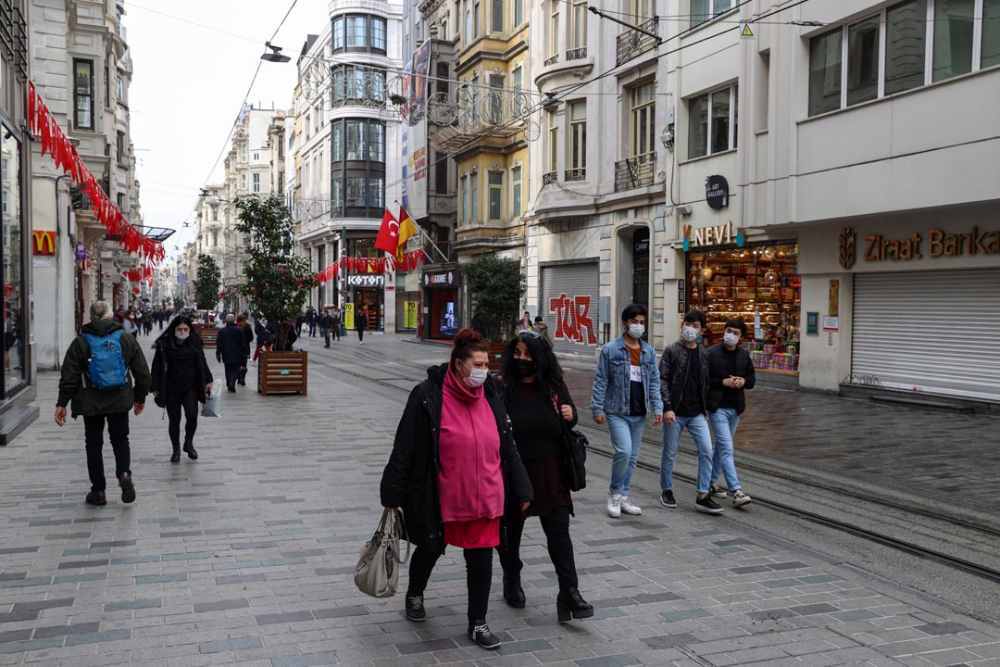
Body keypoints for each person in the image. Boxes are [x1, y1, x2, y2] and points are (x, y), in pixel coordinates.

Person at [380, 329, 533, 650]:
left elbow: (508, 445)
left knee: (481, 560)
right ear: (458, 364)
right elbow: (405, 445)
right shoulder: (428, 395)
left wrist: (522, 487)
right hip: (443, 497)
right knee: (430, 549)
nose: (484, 370)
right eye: (477, 363)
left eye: (487, 363)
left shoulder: (490, 392)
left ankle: (478, 622)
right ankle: (415, 594)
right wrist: (392, 495)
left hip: (487, 497)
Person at [497, 331, 593, 623]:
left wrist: (570, 414)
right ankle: (512, 578)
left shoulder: (553, 386)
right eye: (517, 354)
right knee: (510, 534)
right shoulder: (501, 388)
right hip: (515, 474)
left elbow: (570, 417)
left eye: (528, 355)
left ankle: (569, 592)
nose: (522, 360)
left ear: (540, 359)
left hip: (552, 471)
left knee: (559, 533)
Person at [55, 301, 151, 506]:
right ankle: (124, 473)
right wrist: (140, 398)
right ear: (110, 317)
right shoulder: (125, 339)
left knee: (94, 444)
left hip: (91, 402)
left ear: (90, 317)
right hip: (119, 399)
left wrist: (62, 403)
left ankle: (98, 491)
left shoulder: (80, 342)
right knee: (120, 439)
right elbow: (143, 373)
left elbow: (69, 376)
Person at [590, 304, 663, 518]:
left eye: (642, 322)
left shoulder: (648, 351)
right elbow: (601, 380)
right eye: (634, 322)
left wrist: (657, 406)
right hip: (616, 410)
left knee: (632, 457)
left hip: (639, 412)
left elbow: (654, 382)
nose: (639, 326)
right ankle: (614, 493)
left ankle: (623, 496)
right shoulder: (611, 349)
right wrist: (597, 408)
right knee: (624, 451)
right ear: (625, 323)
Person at [658, 310, 721, 514]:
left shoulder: (704, 353)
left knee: (706, 450)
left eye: (696, 326)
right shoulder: (671, 350)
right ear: (682, 325)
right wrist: (667, 407)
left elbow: (705, 382)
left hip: (697, 413)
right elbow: (662, 380)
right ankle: (666, 489)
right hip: (675, 412)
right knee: (669, 452)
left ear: (702, 330)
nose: (691, 329)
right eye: (688, 324)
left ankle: (702, 495)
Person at [706, 318, 755, 508]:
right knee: (727, 448)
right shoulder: (710, 353)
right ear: (724, 331)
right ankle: (736, 491)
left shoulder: (744, 355)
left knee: (720, 447)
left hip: (735, 408)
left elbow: (751, 379)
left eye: (736, 333)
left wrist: (742, 381)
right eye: (729, 331)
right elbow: (704, 379)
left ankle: (710, 481)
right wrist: (722, 382)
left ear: (741, 337)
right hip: (717, 407)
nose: (731, 335)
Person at [151, 317, 214, 463]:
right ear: (174, 329)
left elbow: (202, 361)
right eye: (179, 329)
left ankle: (188, 442)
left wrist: (208, 380)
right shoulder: (164, 344)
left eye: (186, 329)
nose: (182, 332)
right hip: (171, 387)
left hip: (190, 386)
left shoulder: (194, 342)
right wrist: (154, 385)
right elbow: (156, 366)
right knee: (174, 420)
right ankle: (176, 449)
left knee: (192, 416)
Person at [216, 314, 249, 392]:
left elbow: (219, 343)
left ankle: (229, 383)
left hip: (226, 353)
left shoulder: (222, 331)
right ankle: (232, 382)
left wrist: (218, 353)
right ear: (234, 321)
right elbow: (243, 342)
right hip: (237, 353)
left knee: (227, 369)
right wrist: (245, 353)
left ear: (226, 321)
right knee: (235, 369)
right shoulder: (239, 330)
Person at [237, 315, 254, 386]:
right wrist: (246, 341)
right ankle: (242, 379)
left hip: (237, 348)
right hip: (245, 348)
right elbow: (251, 338)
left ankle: (239, 378)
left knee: (238, 364)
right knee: (244, 364)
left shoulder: (236, 327)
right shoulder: (248, 327)